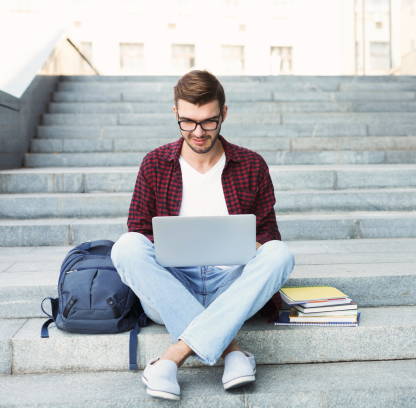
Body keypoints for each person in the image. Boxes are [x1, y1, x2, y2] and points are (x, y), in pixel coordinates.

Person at [110, 70, 295, 401]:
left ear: (224, 113)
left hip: (231, 286)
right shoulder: (154, 164)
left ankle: (171, 358)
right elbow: (138, 228)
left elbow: (268, 232)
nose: (198, 132)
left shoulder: (252, 165)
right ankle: (232, 351)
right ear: (175, 114)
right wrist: (168, 247)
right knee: (126, 248)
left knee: (280, 254)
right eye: (188, 122)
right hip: (172, 286)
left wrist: (253, 244)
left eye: (209, 122)